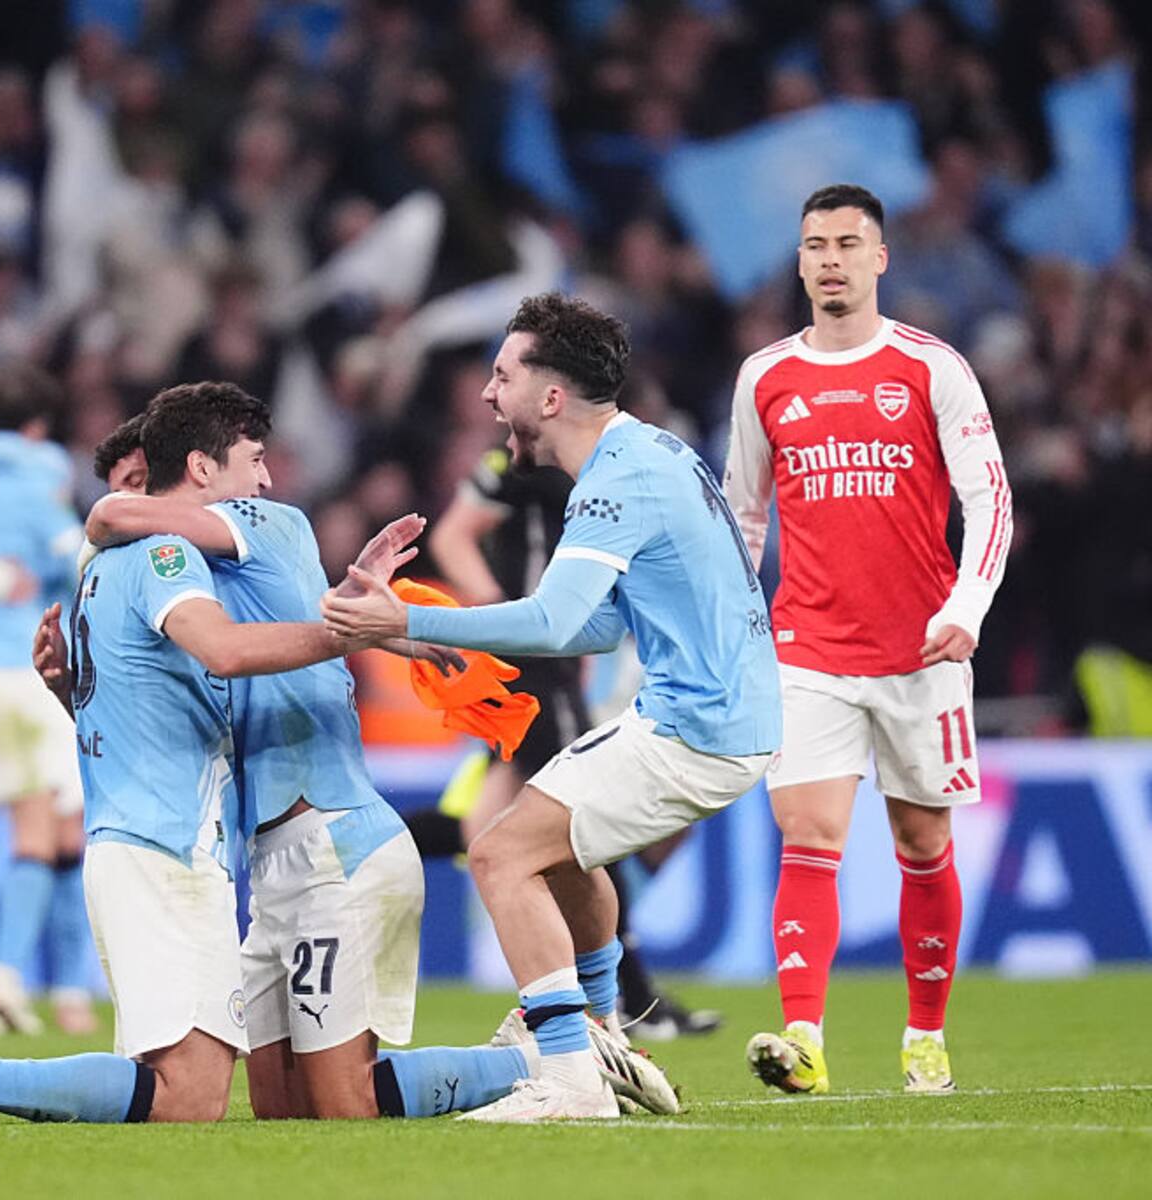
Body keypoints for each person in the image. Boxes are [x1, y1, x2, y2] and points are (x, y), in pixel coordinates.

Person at [65, 383, 663, 1121]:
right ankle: (558, 1048)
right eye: (254, 459)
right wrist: (374, 620)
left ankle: (556, 1054)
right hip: (271, 864)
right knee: (283, 1111)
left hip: (338, 849)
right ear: (200, 465)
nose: (267, 477)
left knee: (346, 1104)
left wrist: (370, 624)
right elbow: (251, 636)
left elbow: (111, 515)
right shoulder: (203, 583)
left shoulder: (270, 522)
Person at [321, 292, 781, 1121]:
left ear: (552, 396)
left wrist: (406, 617)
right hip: (710, 716)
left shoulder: (617, 476)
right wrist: (434, 637)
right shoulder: (648, 451)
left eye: (503, 376)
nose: (490, 395)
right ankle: (600, 1030)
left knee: (500, 856)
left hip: (697, 727)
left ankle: (568, 1077)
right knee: (563, 852)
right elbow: (599, 628)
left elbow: (557, 620)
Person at [0, 381, 388, 1123]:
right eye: (252, 459)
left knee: (195, 1093)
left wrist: (64, 687)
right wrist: (354, 635)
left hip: (148, 844)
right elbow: (222, 650)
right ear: (186, 473)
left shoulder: (99, 574)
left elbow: (129, 704)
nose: (263, 480)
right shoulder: (161, 557)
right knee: (190, 1099)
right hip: (166, 848)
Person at [723, 184, 1013, 1096]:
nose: (832, 259)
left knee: (923, 844)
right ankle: (802, 1038)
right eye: (816, 245)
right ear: (801, 260)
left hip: (922, 653)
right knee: (807, 834)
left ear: (880, 258)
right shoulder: (764, 376)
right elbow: (743, 516)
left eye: (849, 243)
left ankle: (925, 1035)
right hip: (806, 649)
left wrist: (965, 606)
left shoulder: (932, 367)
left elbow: (990, 498)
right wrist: (733, 629)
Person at [412, 445, 721, 1040]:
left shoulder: (578, 460)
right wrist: (510, 621)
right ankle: (631, 999)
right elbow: (452, 537)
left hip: (553, 659)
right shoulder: (523, 463)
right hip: (537, 661)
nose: (494, 394)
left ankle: (344, 839)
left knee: (483, 826)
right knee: (583, 823)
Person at [0, 363, 84, 1037]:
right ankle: (4, 977)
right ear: (35, 424)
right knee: (37, 828)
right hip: (12, 669)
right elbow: (73, 559)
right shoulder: (38, 473)